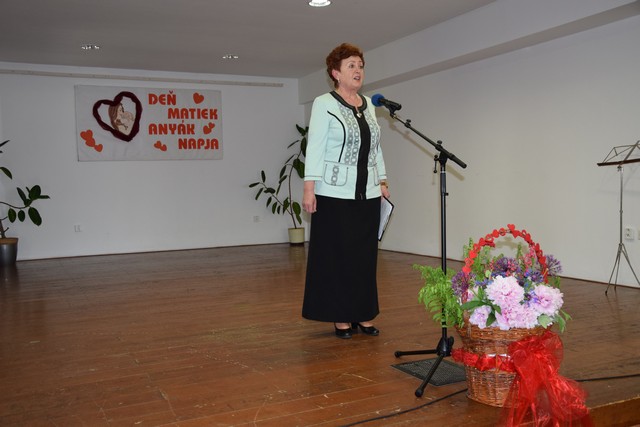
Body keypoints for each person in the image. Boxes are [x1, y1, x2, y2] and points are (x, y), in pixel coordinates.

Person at [301, 43, 390, 339]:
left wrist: (383, 181)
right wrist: (309, 189)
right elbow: (315, 147)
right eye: (351, 65)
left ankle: (363, 313)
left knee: (364, 257)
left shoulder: (368, 104)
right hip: (333, 193)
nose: (358, 70)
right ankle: (340, 316)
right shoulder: (323, 103)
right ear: (335, 73)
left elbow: (375, 147)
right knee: (337, 257)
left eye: (360, 65)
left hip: (368, 193)